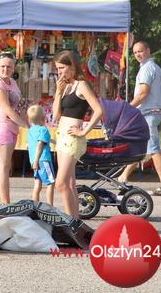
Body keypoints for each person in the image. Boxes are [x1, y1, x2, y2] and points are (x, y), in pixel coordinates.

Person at [52, 50, 103, 218]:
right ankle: (75, 219)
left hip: (73, 137)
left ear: (72, 66)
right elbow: (56, 116)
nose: (59, 72)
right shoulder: (66, 86)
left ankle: (70, 220)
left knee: (60, 183)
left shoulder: (81, 85)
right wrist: (58, 92)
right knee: (69, 182)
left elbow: (98, 110)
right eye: (57, 68)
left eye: (62, 68)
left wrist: (84, 131)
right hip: (62, 134)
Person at [118, 41, 161, 196]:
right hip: (151, 112)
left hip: (149, 113)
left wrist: (128, 108)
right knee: (139, 146)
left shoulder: (147, 69)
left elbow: (143, 93)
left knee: (153, 149)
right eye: (135, 52)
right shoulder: (154, 68)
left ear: (148, 51)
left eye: (140, 51)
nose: (137, 55)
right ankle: (123, 177)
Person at [0, 51, 29, 206]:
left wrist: (26, 113)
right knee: (3, 166)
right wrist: (27, 126)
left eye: (9, 67)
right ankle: (5, 204)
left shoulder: (12, 82)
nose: (6, 69)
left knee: (2, 166)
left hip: (11, 127)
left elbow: (19, 104)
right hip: (1, 126)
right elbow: (7, 109)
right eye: (3, 66)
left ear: (14, 67)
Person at [26, 105, 55, 206]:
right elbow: (40, 145)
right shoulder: (43, 130)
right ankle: (50, 206)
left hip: (34, 160)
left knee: (37, 183)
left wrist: (34, 161)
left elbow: (40, 141)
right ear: (43, 118)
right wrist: (37, 160)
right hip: (43, 160)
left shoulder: (30, 130)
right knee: (51, 182)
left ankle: (35, 206)